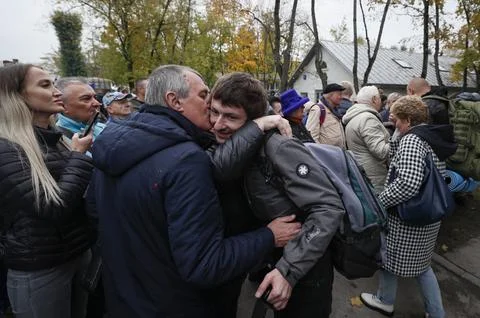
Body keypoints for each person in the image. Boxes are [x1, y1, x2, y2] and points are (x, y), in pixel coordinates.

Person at [88, 65, 300, 318]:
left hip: (124, 300)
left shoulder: (112, 145)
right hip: (176, 305)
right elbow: (204, 264)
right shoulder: (186, 160)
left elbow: (94, 215)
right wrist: (268, 236)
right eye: (203, 95)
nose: (209, 104)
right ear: (174, 100)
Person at [209, 72, 345, 317]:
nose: (217, 123)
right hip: (274, 261)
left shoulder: (278, 147)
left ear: (254, 120)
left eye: (230, 117)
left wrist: (288, 270)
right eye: (214, 112)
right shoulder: (233, 147)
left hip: (306, 270)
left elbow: (328, 208)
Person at [0, 64, 95, 318]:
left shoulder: (57, 139)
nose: (57, 93)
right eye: (45, 85)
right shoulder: (7, 149)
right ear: (16, 95)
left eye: (53, 84)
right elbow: (54, 207)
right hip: (40, 270)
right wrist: (78, 157)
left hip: (76, 255)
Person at [360, 95, 457, 318]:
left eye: (398, 119)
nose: (394, 121)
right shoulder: (430, 136)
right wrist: (397, 130)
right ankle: (435, 312)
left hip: (408, 218)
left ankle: (385, 300)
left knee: (388, 257)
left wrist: (380, 201)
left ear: (409, 120)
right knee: (422, 266)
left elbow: (408, 182)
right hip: (427, 215)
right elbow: (395, 153)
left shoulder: (412, 141)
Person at [342, 86, 390, 193]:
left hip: (363, 174)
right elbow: (381, 151)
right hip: (375, 179)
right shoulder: (367, 119)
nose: (381, 101)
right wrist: (399, 140)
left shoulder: (355, 116)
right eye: (379, 98)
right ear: (374, 99)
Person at [304, 83, 346, 149]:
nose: (341, 97)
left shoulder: (335, 111)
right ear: (330, 95)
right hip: (326, 156)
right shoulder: (318, 110)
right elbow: (312, 137)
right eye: (339, 94)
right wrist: (322, 155)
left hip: (337, 155)